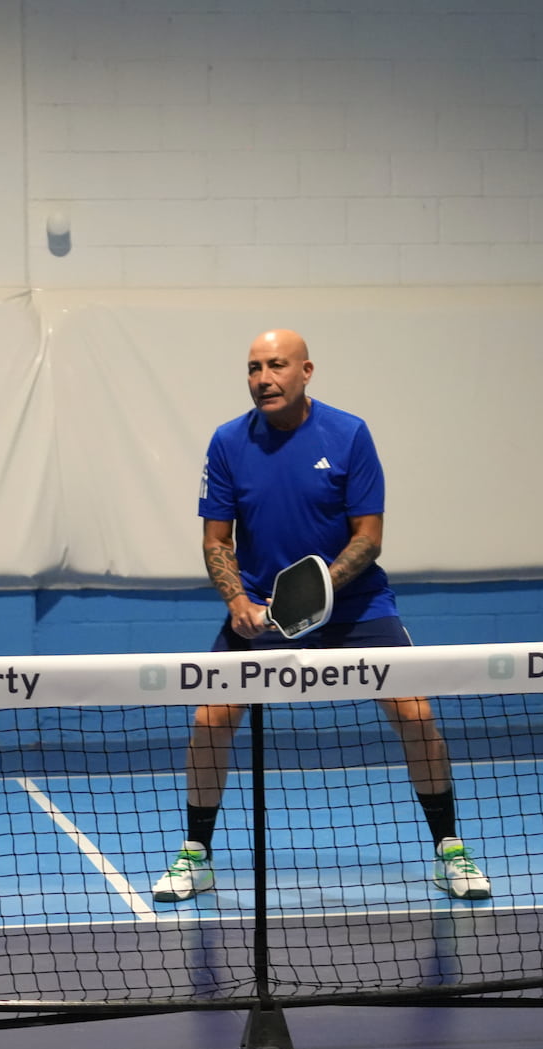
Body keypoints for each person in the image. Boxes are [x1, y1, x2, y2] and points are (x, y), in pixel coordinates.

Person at [150, 329, 490, 903]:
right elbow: (216, 541)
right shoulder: (228, 442)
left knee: (415, 713)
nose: (263, 378)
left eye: (276, 366)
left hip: (356, 606)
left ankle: (450, 848)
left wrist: (315, 594)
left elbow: (368, 538)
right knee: (211, 720)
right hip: (260, 612)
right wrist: (239, 602)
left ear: (306, 371)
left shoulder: (349, 434)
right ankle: (196, 855)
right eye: (254, 368)